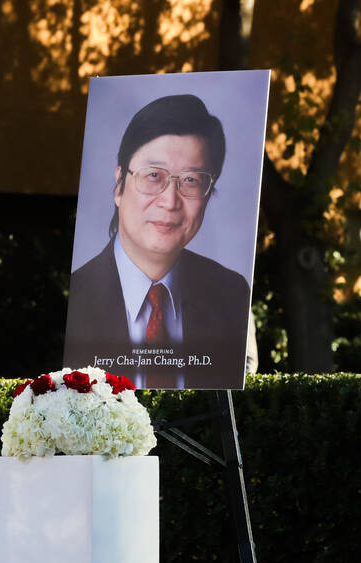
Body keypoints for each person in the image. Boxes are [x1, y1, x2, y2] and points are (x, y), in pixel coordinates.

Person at [63, 94, 251, 389]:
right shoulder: (73, 294)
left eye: (191, 179)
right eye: (154, 175)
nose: (170, 201)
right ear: (119, 185)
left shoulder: (231, 294)